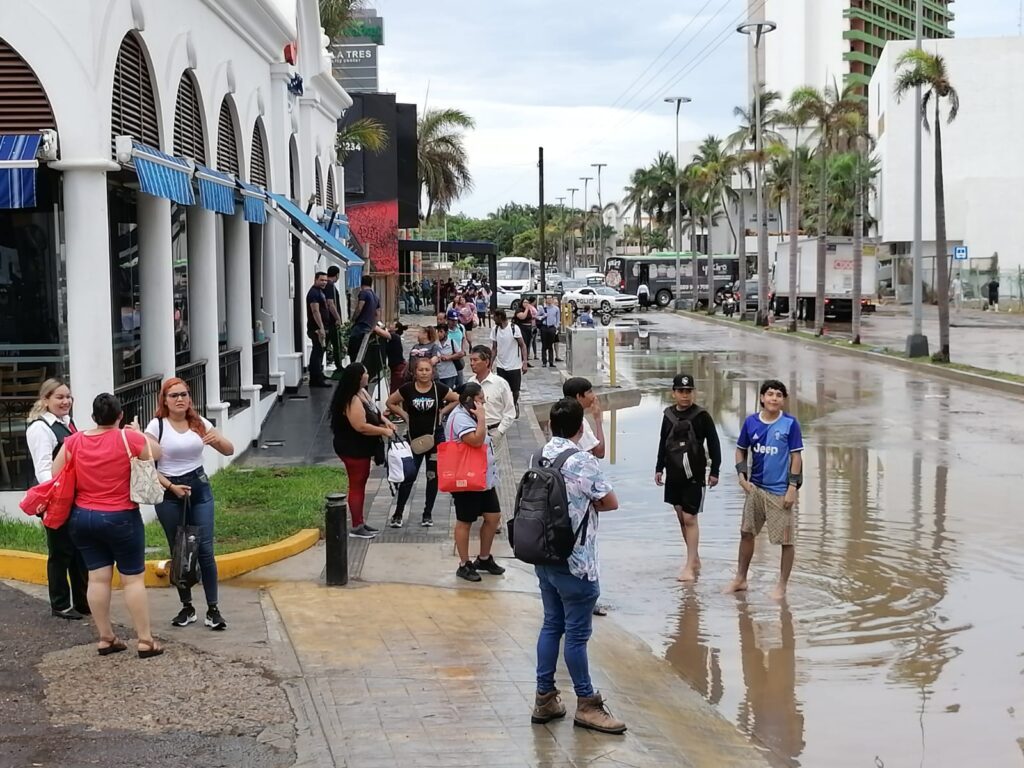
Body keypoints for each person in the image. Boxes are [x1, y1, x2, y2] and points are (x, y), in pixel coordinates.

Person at [530, 398, 625, 734]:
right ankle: (586, 703)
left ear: (551, 426)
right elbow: (609, 502)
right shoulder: (582, 461)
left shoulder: (539, 454)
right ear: (580, 428)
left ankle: (545, 698)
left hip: (544, 556)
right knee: (577, 636)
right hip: (576, 561)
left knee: (551, 625)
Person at [54, 393, 164, 658]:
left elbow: (56, 472)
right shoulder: (130, 438)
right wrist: (140, 433)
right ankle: (145, 641)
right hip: (121, 517)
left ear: (93, 417)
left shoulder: (74, 441)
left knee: (97, 578)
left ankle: (105, 637)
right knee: (132, 580)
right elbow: (156, 453)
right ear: (120, 416)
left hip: (83, 518)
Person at [146, 378, 235, 630]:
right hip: (170, 491)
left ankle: (213, 609)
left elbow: (228, 450)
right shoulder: (157, 426)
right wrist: (171, 486)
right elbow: (146, 465)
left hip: (198, 487)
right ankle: (187, 607)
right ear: (164, 399)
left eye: (184, 394)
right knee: (181, 549)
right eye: (173, 395)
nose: (180, 399)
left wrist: (217, 438)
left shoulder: (198, 423)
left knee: (205, 549)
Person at [727, 379, 804, 600]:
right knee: (746, 533)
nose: (774, 398)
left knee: (786, 540)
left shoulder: (790, 424)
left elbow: (796, 456)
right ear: (762, 398)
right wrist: (742, 478)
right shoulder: (751, 423)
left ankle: (781, 585)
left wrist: (792, 487)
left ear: (783, 400)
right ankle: (740, 579)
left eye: (779, 395)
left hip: (780, 491)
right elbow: (740, 450)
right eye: (770, 394)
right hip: (755, 489)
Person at [26, 378, 88, 620]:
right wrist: (55, 499)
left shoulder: (68, 423)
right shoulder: (40, 428)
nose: (66, 401)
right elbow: (43, 469)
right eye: (59, 397)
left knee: (79, 551)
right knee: (60, 551)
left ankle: (83, 602)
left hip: (73, 495)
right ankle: (60, 604)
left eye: (68, 397)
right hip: (56, 497)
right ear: (46, 400)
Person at [654, 374, 722, 582]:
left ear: (694, 392)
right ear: (673, 393)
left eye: (689, 391)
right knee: (680, 516)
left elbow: (714, 443)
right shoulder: (668, 415)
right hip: (674, 474)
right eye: (681, 391)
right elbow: (663, 442)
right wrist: (659, 468)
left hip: (695, 475)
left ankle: (689, 566)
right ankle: (695, 558)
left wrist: (715, 471)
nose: (685, 395)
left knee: (690, 518)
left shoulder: (702, 416)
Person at [385, 359, 459, 528]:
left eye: (427, 370)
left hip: (435, 438)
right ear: (415, 372)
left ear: (432, 372)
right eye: (421, 370)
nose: (424, 373)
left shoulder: (438, 388)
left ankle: (428, 513)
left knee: (432, 477)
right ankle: (398, 512)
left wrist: (443, 412)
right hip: (414, 438)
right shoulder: (407, 389)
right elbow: (390, 402)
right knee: (409, 476)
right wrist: (404, 414)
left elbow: (457, 399)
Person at [446, 383, 505, 582]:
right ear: (470, 399)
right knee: (465, 520)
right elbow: (476, 440)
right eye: (480, 398)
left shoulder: (469, 415)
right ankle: (464, 564)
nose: (484, 402)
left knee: (493, 516)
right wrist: (481, 417)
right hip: (466, 478)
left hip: (483, 477)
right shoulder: (460, 418)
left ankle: (484, 557)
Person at [331, 363, 396, 538]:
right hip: (353, 448)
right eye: (366, 372)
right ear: (359, 377)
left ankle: (360, 521)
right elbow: (360, 426)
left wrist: (384, 421)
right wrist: (384, 431)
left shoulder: (362, 392)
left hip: (362, 447)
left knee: (361, 483)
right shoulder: (352, 400)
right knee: (357, 485)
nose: (368, 374)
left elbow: (374, 411)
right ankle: (357, 526)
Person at [467, 345, 516, 442]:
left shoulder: (500, 383)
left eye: (475, 360)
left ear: (486, 362)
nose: (472, 363)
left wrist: (500, 431)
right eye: (471, 360)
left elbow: (510, 411)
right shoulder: (470, 382)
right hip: (475, 432)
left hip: (495, 431)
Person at [490, 309, 527, 411]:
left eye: (495, 318)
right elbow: (494, 348)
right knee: (502, 389)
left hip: (514, 365)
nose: (494, 320)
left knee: (515, 390)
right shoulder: (495, 330)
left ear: (500, 317)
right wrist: (490, 364)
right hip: (501, 365)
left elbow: (522, 345)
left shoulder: (514, 328)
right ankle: (506, 407)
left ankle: (514, 404)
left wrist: (525, 362)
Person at [562, 377, 605, 460]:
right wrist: (598, 419)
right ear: (578, 396)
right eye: (590, 392)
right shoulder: (578, 420)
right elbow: (600, 452)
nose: (594, 396)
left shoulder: (561, 414)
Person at [306, 272, 331, 388]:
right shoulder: (313, 293)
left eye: (325, 280)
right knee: (317, 351)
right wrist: (320, 328)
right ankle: (316, 379)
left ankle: (318, 375)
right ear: (315, 280)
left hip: (321, 327)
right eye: (321, 280)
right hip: (315, 328)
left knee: (319, 352)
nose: (324, 282)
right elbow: (315, 311)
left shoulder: (320, 292)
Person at [348, 275, 380, 363]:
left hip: (361, 325)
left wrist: (353, 319)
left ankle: (353, 368)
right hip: (368, 326)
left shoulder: (364, 293)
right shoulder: (375, 296)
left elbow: (359, 307)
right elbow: (377, 314)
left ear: (361, 283)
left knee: (353, 350)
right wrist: (373, 327)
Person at [323, 265, 345, 369]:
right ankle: (339, 366)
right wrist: (337, 318)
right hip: (331, 321)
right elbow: (330, 303)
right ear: (337, 275)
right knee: (336, 344)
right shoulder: (330, 286)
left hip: (327, 321)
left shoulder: (326, 285)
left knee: (326, 344)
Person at [435, 322, 462, 389]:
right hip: (438, 374)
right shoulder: (434, 343)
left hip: (450, 373)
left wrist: (449, 357)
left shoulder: (452, 342)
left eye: (441, 331)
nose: (439, 334)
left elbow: (460, 354)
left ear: (446, 333)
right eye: (437, 331)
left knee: (449, 392)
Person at [445, 309, 469, 386]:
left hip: (458, 358)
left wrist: (462, 350)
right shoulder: (445, 331)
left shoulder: (461, 327)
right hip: (448, 359)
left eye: (455, 320)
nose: (454, 322)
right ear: (447, 320)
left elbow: (463, 339)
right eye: (452, 320)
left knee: (460, 383)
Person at [385, 320, 409, 394]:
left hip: (398, 367)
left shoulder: (395, 337)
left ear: (396, 329)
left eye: (392, 325)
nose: (390, 325)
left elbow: (382, 333)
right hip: (395, 367)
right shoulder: (394, 338)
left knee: (395, 391)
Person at [539, 295, 560, 368]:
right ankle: (544, 361)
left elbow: (558, 319)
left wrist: (556, 327)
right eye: (548, 298)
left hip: (552, 327)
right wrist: (542, 316)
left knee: (550, 345)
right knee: (544, 345)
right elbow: (536, 316)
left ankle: (551, 361)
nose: (549, 300)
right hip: (544, 327)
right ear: (545, 300)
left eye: (551, 298)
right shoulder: (543, 308)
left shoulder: (556, 309)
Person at [515, 298, 538, 362]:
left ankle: (526, 360)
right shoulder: (519, 310)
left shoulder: (529, 310)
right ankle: (521, 360)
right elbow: (523, 317)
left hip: (529, 328)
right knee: (523, 343)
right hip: (522, 328)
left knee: (528, 344)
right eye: (524, 302)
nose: (526, 304)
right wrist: (527, 309)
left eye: (527, 303)